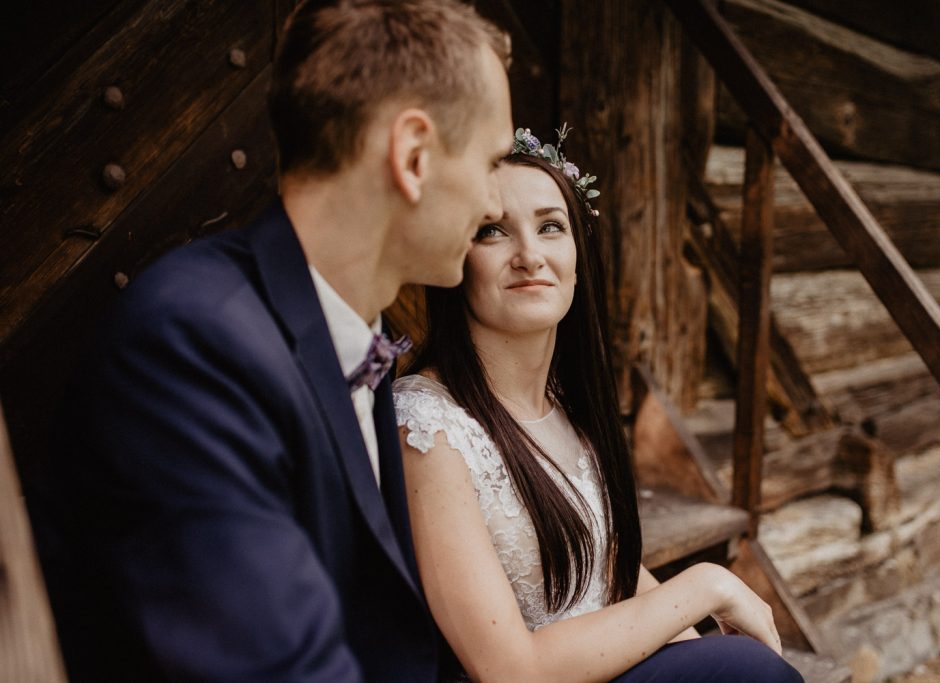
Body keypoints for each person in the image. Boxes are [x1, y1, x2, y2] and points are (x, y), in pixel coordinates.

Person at [28, 1, 512, 680]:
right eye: (492, 162)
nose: (495, 204)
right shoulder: (192, 347)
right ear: (412, 156)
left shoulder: (355, 330)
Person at [393, 127, 804, 682]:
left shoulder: (566, 405)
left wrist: (695, 652)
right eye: (492, 231)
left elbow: (612, 576)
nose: (530, 255)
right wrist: (709, 585)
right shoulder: (427, 424)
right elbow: (509, 671)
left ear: (577, 256)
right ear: (455, 260)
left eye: (550, 226)